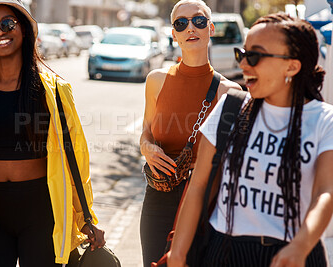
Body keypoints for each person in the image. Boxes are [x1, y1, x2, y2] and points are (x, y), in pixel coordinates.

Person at [0, 0, 105, 266]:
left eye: (7, 24)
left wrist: (85, 218)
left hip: (42, 211)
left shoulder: (55, 92)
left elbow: (76, 161)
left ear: (24, 29)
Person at [168, 13, 333, 267]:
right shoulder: (230, 107)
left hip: (295, 254)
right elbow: (199, 185)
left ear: (292, 66)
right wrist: (178, 254)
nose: (244, 64)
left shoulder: (324, 120)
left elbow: (325, 192)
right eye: (241, 54)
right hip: (223, 250)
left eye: (254, 56)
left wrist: (301, 245)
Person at [139, 0, 242, 265]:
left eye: (198, 20)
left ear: (211, 28)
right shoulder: (156, 81)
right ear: (173, 33)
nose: (190, 28)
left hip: (206, 200)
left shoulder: (231, 93)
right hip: (158, 197)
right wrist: (148, 149)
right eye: (181, 23)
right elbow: (146, 133)